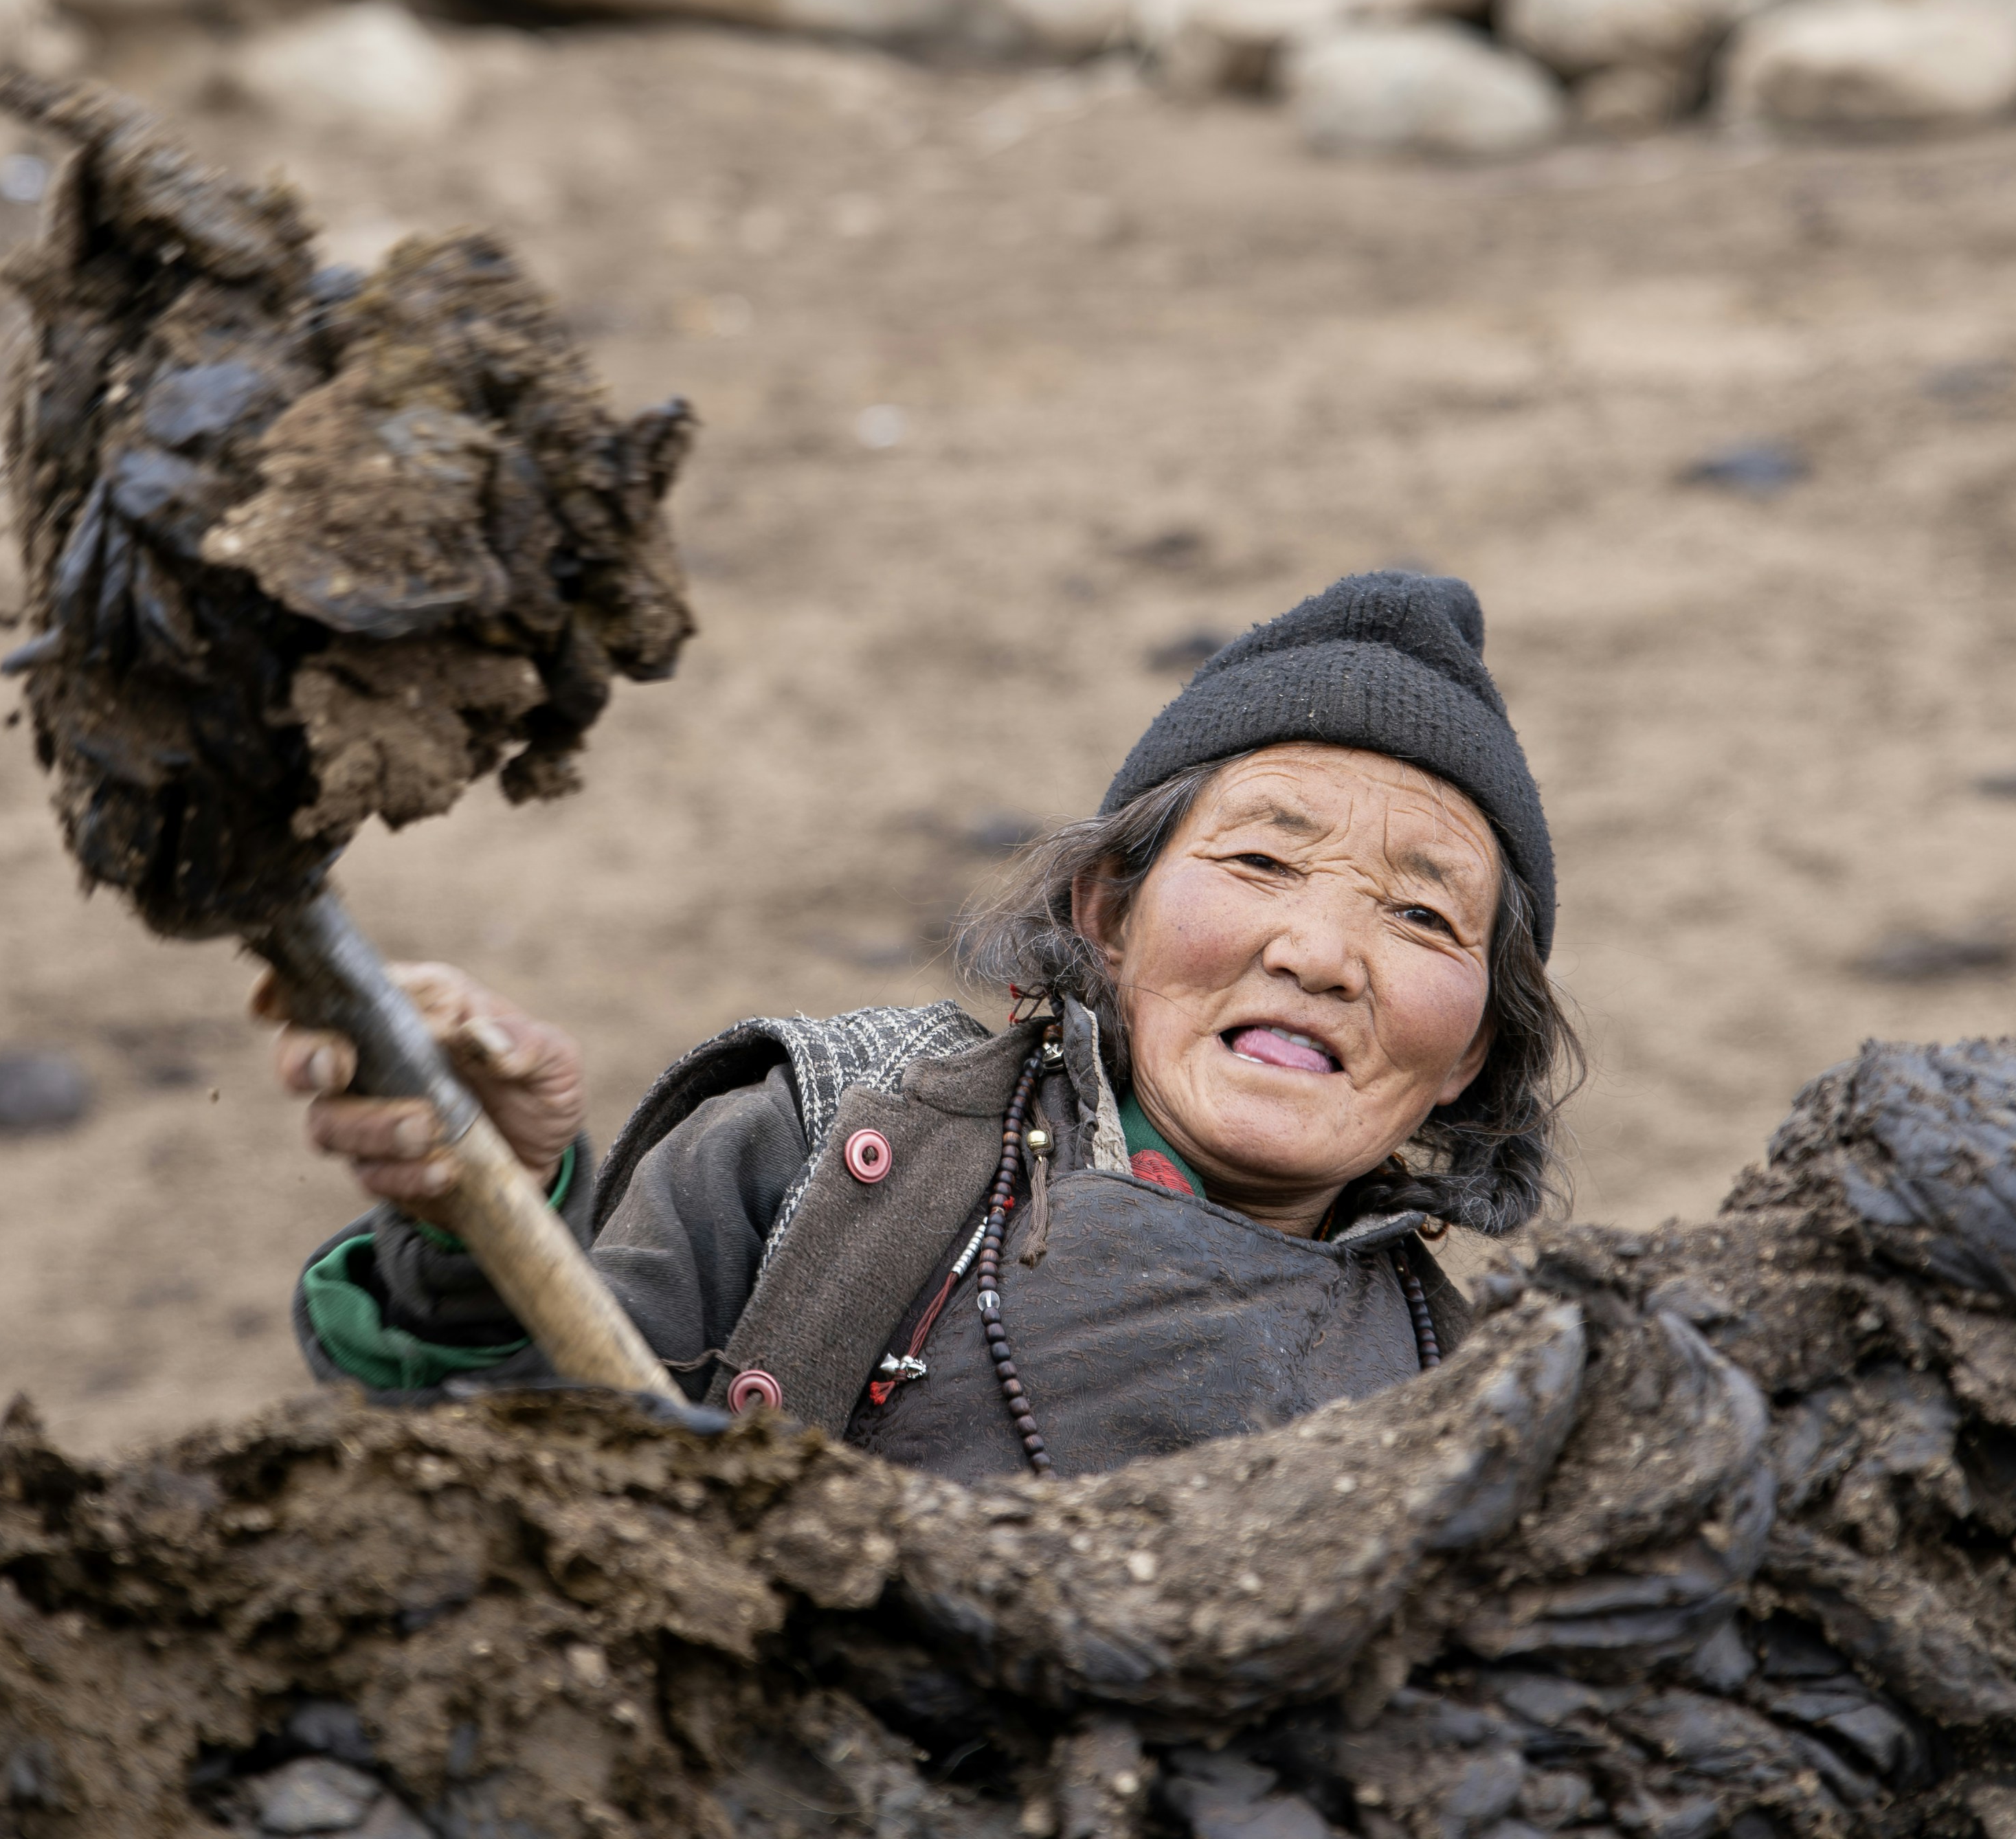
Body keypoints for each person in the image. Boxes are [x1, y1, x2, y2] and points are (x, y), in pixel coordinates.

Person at [270, 570, 1580, 1480]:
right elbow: (509, 1472)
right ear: (1109, 915)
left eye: (1421, 917)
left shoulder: (1467, 1406)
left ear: (1472, 1051)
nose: (1320, 952)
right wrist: (480, 1211)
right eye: (1259, 863)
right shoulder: (829, 1143)